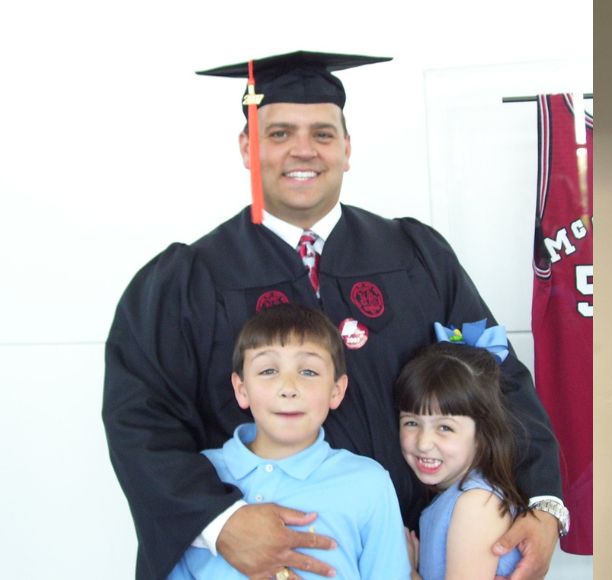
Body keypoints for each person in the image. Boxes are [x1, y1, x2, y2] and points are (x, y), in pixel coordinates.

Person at [103, 51, 565, 580]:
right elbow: (140, 420)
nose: (303, 149)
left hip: (413, 553)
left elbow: (494, 377)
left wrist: (543, 501)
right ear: (247, 148)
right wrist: (220, 522)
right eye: (279, 133)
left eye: (322, 134)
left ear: (346, 148)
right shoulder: (188, 280)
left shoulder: (416, 256)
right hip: (252, 558)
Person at [169, 303, 410, 579]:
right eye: (268, 371)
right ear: (241, 389)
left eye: (308, 372)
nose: (288, 388)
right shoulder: (198, 479)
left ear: (336, 390)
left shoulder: (369, 483)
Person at [396, 325, 529, 579]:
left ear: (481, 434)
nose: (424, 443)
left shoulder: (476, 504)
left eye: (445, 427)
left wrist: (409, 572)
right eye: (411, 422)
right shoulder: (457, 497)